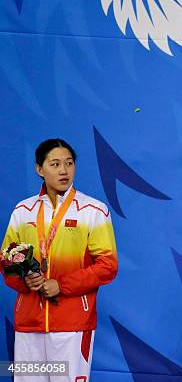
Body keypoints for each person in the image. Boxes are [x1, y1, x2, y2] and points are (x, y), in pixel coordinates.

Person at [1, 138, 118, 381]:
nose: (64, 170)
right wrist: (26, 281)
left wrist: (61, 285)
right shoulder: (23, 211)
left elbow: (107, 266)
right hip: (28, 323)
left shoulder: (93, 211)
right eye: (54, 164)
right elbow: (6, 261)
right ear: (39, 170)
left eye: (69, 163)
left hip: (72, 324)